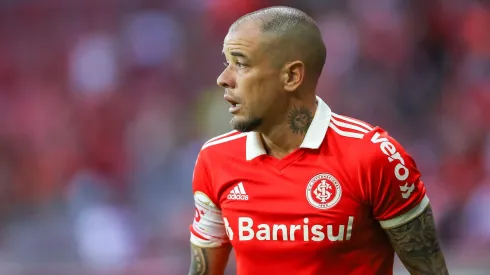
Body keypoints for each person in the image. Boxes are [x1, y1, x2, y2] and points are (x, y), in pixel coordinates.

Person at [189, 6, 449, 275]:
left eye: (241, 64)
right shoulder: (215, 159)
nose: (224, 79)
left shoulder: (373, 157)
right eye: (227, 64)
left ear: (291, 76)